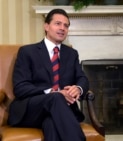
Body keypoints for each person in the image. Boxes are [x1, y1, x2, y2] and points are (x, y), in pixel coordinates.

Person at [7, 8, 89, 141]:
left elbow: (82, 78)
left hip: (60, 112)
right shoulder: (27, 52)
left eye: (66, 25)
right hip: (31, 110)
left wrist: (78, 88)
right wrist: (52, 92)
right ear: (46, 26)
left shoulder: (71, 54)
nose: (62, 28)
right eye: (58, 23)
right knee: (56, 97)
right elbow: (20, 87)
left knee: (51, 124)